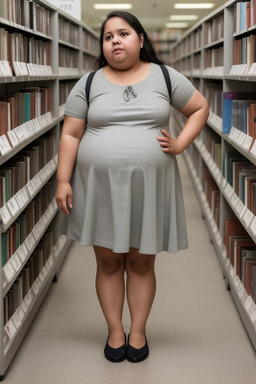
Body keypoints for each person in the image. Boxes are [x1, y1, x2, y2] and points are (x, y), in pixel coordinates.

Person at [55, 11, 209, 364]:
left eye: (123, 34)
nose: (115, 41)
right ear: (103, 46)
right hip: (100, 187)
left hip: (149, 187)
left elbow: (199, 107)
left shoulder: (166, 76)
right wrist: (63, 180)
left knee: (141, 262)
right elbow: (70, 133)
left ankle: (137, 331)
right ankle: (115, 330)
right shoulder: (89, 83)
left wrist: (182, 143)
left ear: (141, 39)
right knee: (108, 262)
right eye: (108, 37)